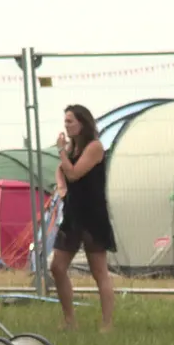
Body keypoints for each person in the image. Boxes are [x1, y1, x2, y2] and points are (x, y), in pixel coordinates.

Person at [50, 104, 118, 332]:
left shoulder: (94, 147)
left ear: (82, 123)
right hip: (73, 214)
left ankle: (107, 323)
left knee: (99, 271)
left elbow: (74, 172)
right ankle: (70, 320)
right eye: (65, 121)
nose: (66, 126)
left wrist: (61, 151)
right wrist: (61, 189)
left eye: (70, 121)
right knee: (57, 267)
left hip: (92, 215)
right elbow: (62, 171)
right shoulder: (71, 148)